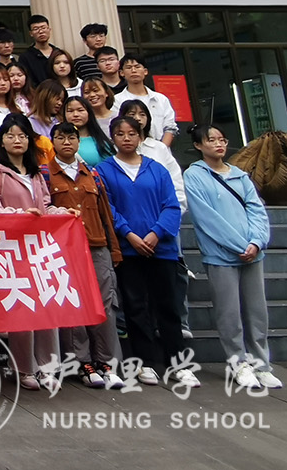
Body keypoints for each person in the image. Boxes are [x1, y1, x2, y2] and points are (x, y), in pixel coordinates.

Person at [96, 116, 195, 389]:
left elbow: (171, 205)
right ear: (112, 138)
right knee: (135, 307)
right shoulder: (104, 170)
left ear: (141, 137)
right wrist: (129, 234)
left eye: (132, 133)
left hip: (161, 249)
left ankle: (178, 365)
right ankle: (144, 363)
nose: (126, 138)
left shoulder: (157, 169)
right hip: (128, 250)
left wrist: (155, 233)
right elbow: (108, 208)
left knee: (168, 308)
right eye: (120, 133)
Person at [183, 126, 282, 391]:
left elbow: (256, 210)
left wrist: (256, 242)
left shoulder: (240, 175)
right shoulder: (194, 175)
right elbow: (207, 218)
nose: (219, 144)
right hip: (221, 255)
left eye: (222, 139)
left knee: (257, 312)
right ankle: (238, 363)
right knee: (229, 313)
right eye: (211, 140)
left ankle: (261, 364)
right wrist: (239, 245)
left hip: (252, 254)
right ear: (198, 145)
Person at [0, 114, 63, 390]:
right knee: (22, 308)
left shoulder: (37, 174)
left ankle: (48, 366)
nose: (17, 140)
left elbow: (46, 206)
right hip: (11, 250)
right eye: (11, 135)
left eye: (22, 135)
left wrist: (62, 213)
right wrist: (19, 215)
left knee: (47, 307)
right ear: (1, 141)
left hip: (39, 249)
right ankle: (24, 367)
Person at [44, 121, 124, 390]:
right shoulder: (46, 174)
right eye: (60, 137)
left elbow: (105, 215)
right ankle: (82, 363)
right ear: (52, 142)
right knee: (73, 304)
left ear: (79, 142)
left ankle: (107, 362)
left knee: (104, 303)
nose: (66, 142)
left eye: (71, 137)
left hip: (97, 245)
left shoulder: (93, 174)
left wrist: (114, 249)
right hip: (64, 250)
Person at [119, 54, 178, 146]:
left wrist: (161, 149)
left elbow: (170, 128)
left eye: (137, 67)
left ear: (145, 71)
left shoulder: (161, 99)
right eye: (129, 67)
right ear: (122, 73)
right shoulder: (117, 100)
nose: (133, 70)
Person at [21, 14, 58, 86]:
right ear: (31, 33)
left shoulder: (58, 53)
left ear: (49, 30)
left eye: (43, 28)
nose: (41, 31)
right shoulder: (26, 57)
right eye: (36, 29)